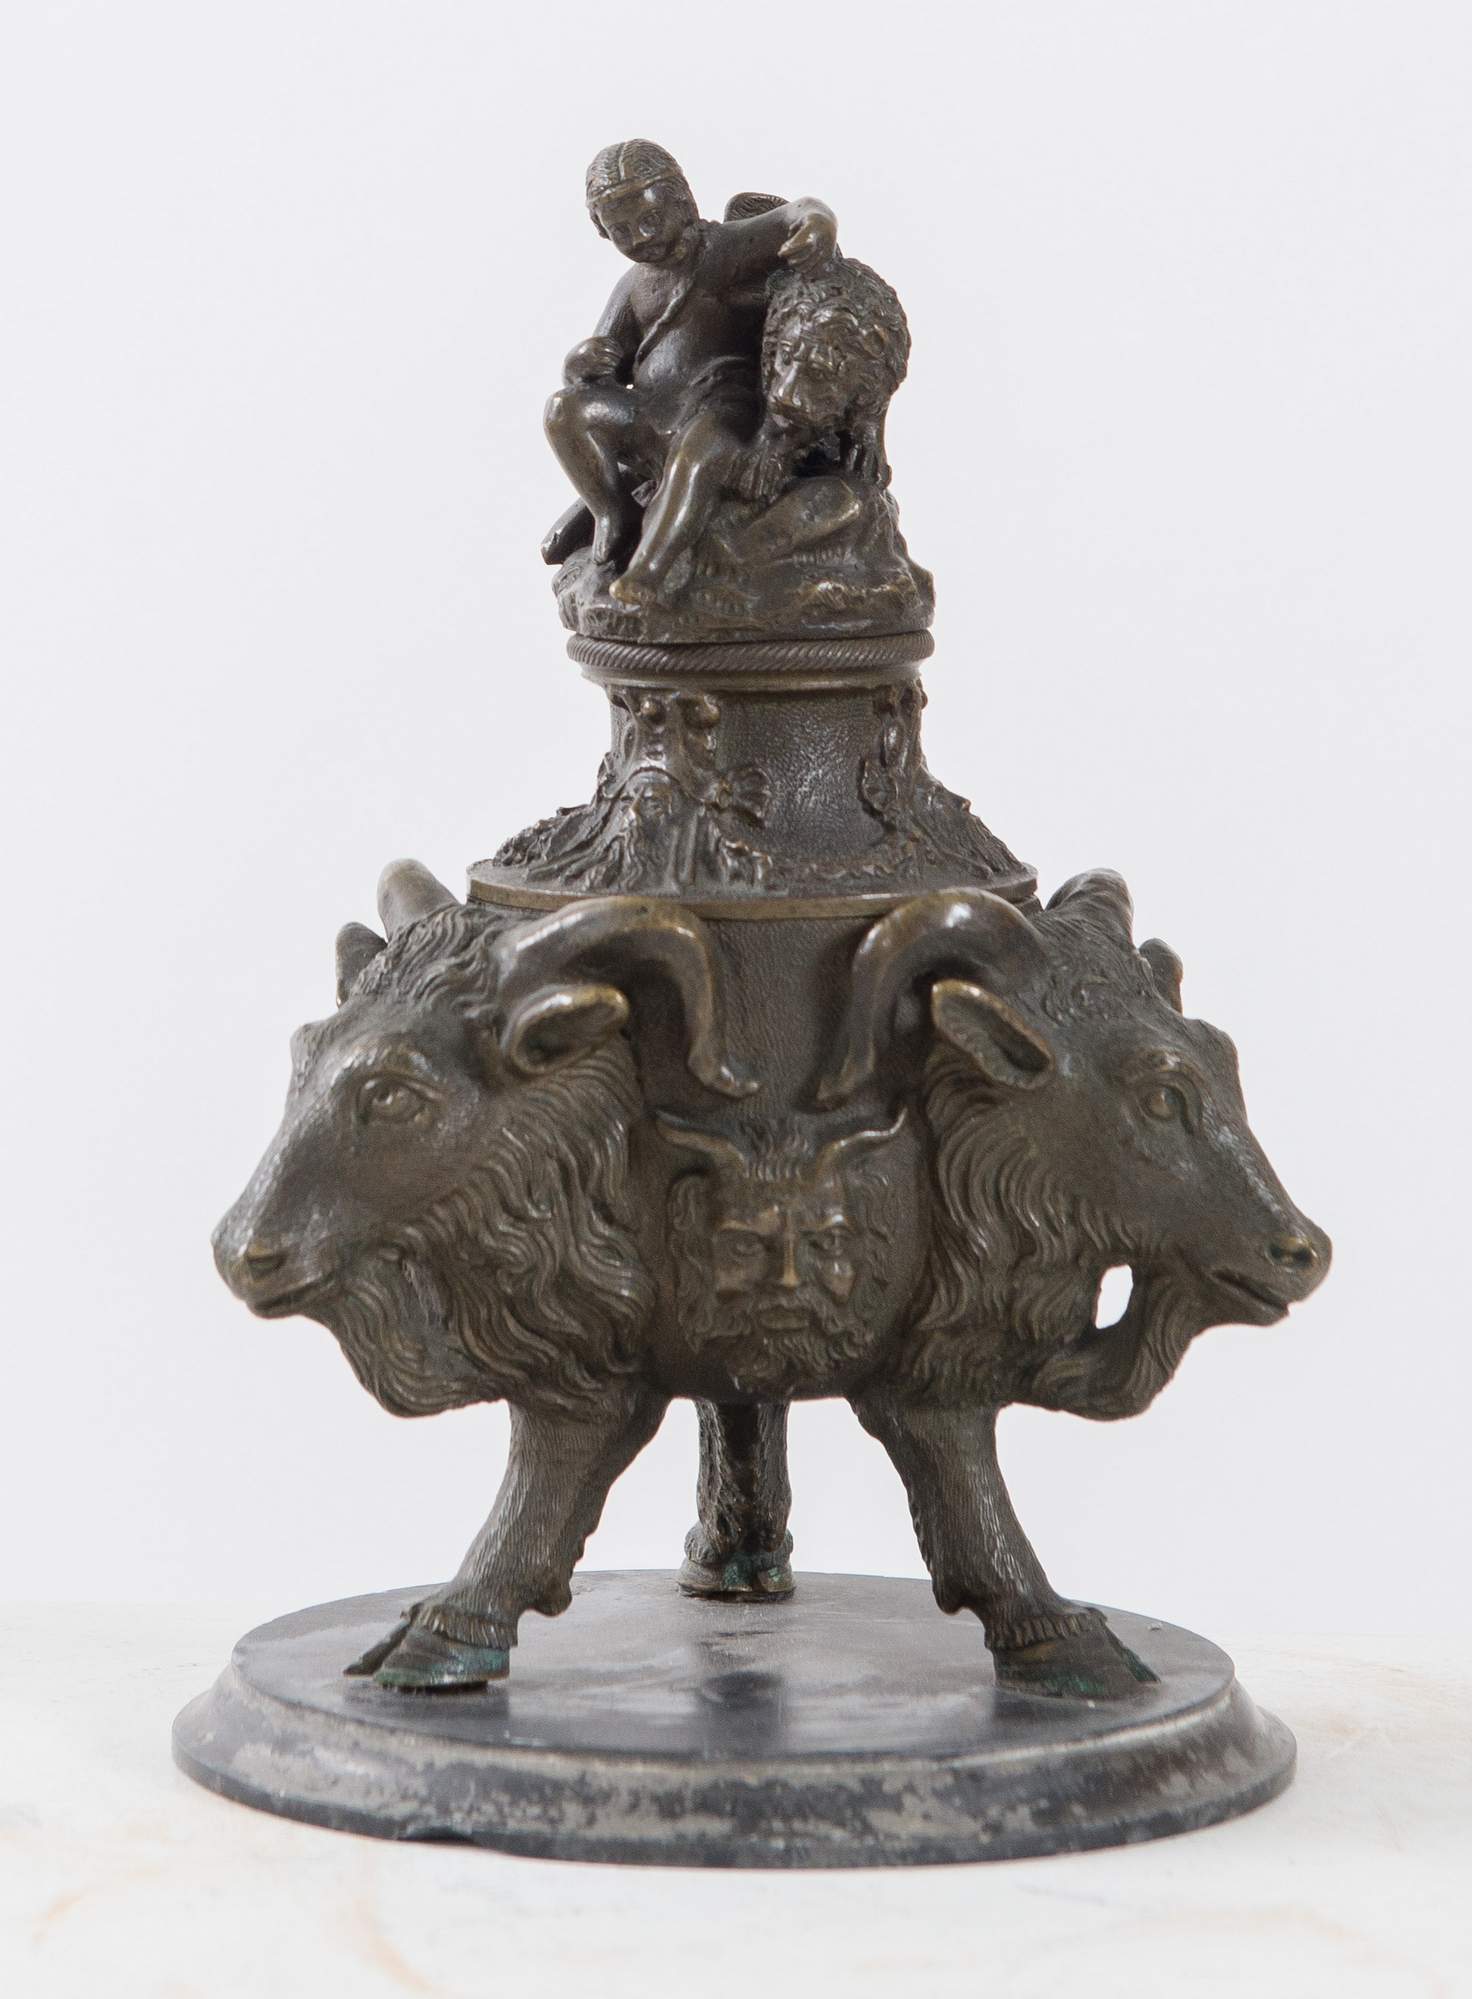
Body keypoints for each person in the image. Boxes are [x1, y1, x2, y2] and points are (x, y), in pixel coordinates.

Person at [540, 140, 837, 579]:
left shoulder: (729, 248)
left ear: (682, 201)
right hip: (649, 413)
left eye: (650, 220)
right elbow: (606, 364)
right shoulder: (633, 286)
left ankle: (652, 572)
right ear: (602, 231)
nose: (640, 238)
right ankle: (613, 512)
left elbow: (800, 210)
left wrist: (817, 225)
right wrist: (579, 362)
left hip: (722, 412)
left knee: (694, 453)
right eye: (621, 231)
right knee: (564, 409)